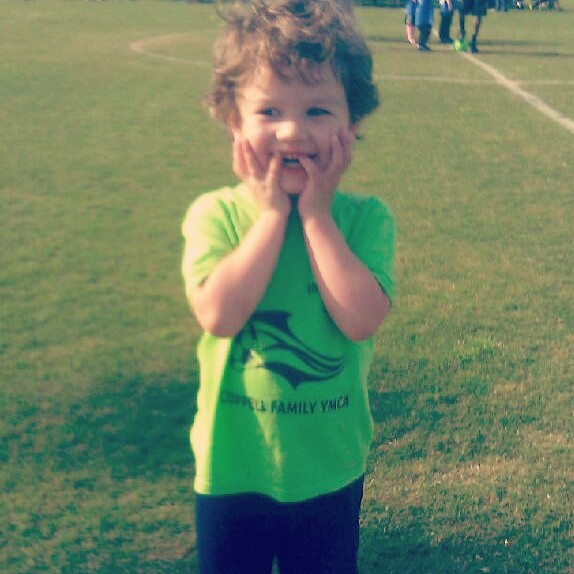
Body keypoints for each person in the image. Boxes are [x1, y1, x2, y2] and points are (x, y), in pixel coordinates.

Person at [181, 1, 395, 573]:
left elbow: (360, 319)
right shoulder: (216, 215)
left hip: (328, 470)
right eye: (269, 110)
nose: (293, 131)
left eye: (318, 110)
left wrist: (317, 216)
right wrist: (273, 215)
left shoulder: (364, 219)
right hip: (233, 469)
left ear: (352, 122)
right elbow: (219, 315)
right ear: (235, 121)